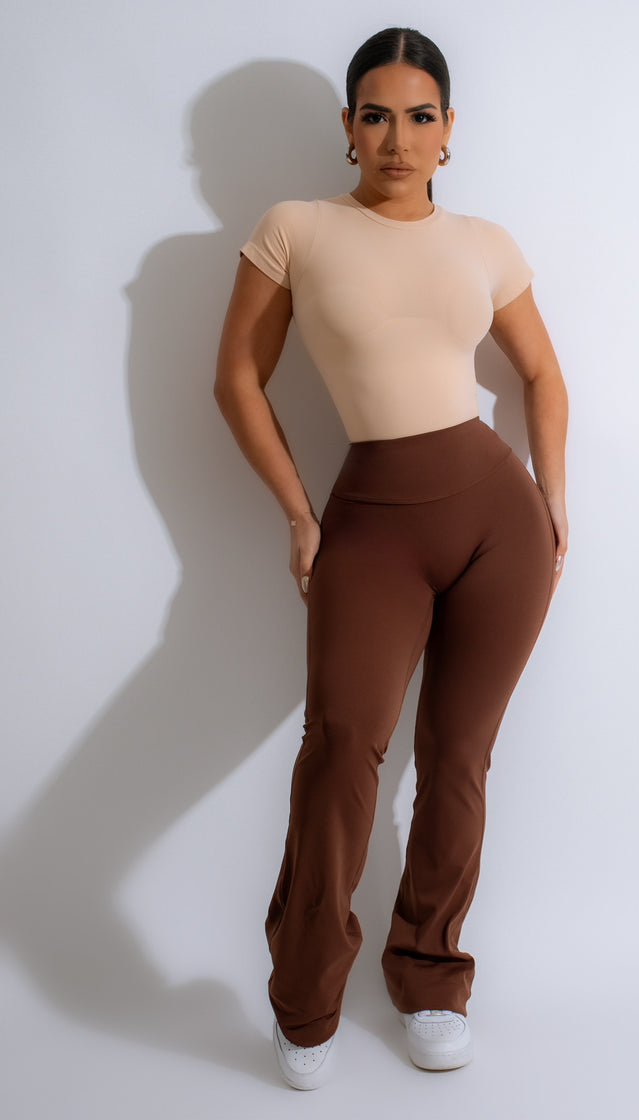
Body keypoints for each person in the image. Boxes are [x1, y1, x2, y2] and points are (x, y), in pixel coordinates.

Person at [214, 26, 568, 1090]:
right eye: (376, 116)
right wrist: (297, 514)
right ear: (348, 126)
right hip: (369, 521)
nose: (398, 140)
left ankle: (431, 977)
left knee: (458, 760)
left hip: (498, 522)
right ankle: (304, 999)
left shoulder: (484, 242)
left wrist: (552, 499)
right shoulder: (296, 229)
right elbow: (235, 379)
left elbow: (542, 376)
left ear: (449, 130)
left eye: (420, 118)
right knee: (340, 752)